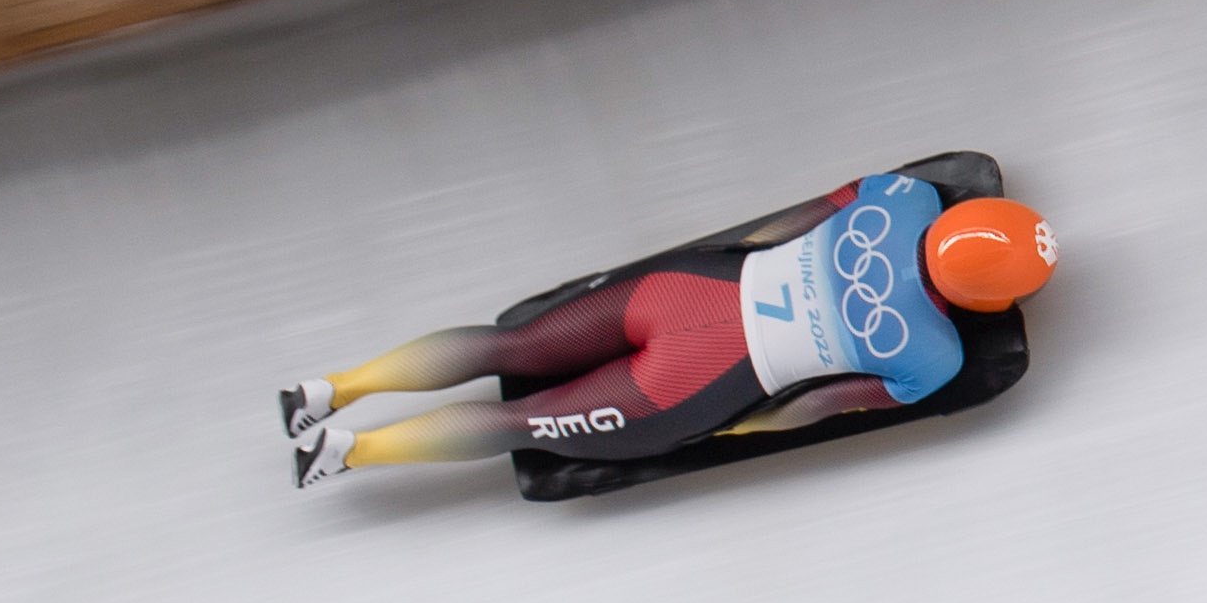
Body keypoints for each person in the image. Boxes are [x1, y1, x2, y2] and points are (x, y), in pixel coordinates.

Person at [281, 172, 1055, 486]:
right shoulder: (932, 357)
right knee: (524, 422)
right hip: (695, 381)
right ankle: (351, 452)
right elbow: (814, 409)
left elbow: (788, 222)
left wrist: (710, 261)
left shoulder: (905, 195)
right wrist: (734, 431)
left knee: (511, 347)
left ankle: (333, 388)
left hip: (686, 290)